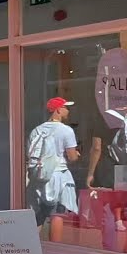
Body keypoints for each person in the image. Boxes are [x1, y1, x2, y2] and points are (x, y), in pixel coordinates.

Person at [26, 97, 80, 239]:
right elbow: (72, 157)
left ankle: (32, 250)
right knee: (57, 213)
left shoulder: (36, 130)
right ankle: (55, 252)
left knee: (40, 214)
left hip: (39, 176)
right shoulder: (66, 131)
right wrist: (77, 155)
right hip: (58, 176)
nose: (68, 111)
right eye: (66, 108)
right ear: (58, 110)